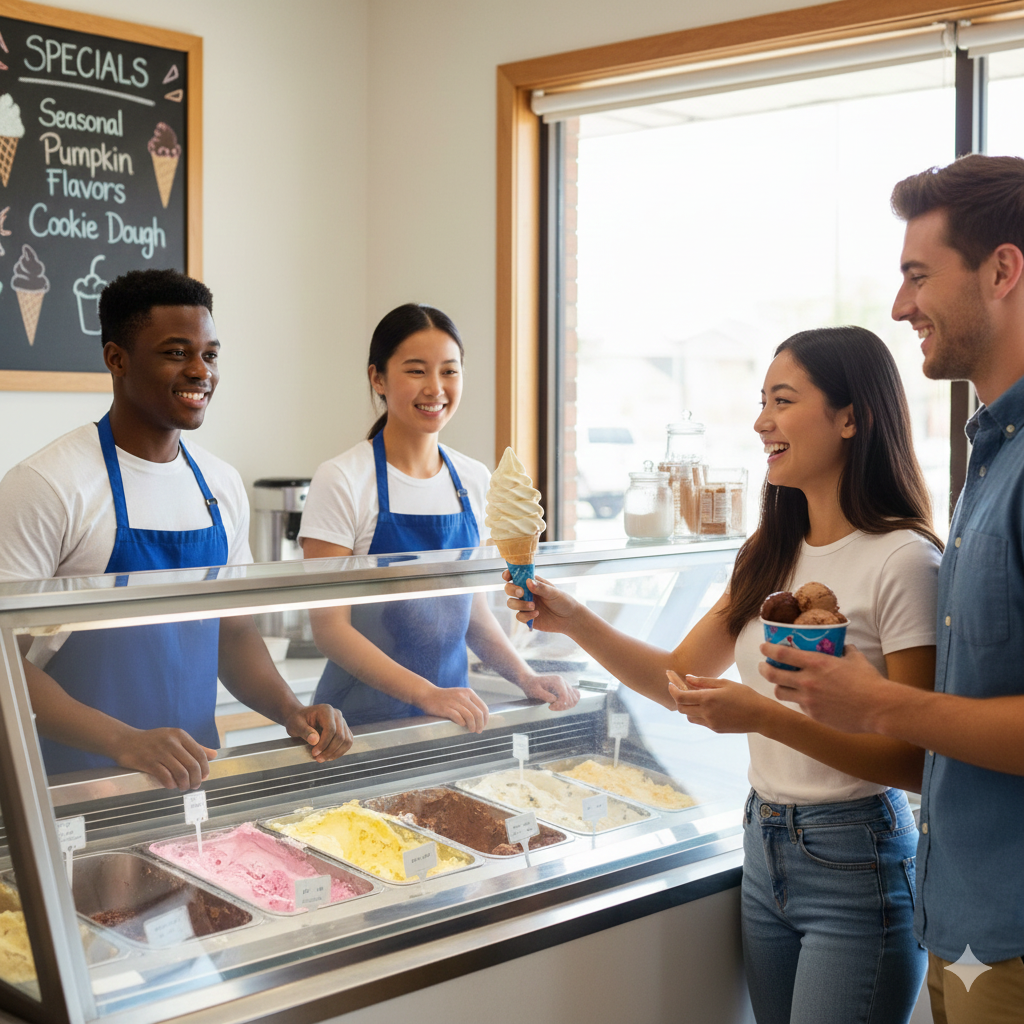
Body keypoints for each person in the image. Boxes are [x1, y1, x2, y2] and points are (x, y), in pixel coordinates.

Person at [506, 326, 941, 1024]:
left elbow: (915, 760)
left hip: (857, 859)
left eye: (782, 399)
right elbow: (678, 677)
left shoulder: (903, 561)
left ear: (851, 417)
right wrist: (576, 620)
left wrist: (765, 715)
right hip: (764, 847)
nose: (761, 420)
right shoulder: (766, 554)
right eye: (762, 400)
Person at [764, 155, 1024, 1024]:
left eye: (918, 275)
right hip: (961, 914)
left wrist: (875, 704)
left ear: (1002, 271)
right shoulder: (991, 454)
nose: (899, 305)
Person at [0, 269, 352, 790]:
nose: (199, 371)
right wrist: (125, 741)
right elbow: (5, 662)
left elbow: (232, 636)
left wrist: (290, 711)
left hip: (193, 781)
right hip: (75, 785)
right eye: (175, 352)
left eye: (210, 355)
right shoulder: (48, 485)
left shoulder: (221, 485)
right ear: (116, 359)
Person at [299, 303, 578, 731]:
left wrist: (524, 676)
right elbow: (330, 629)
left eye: (449, 371)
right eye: (416, 371)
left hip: (448, 721)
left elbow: (473, 612)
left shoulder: (474, 478)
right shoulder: (342, 479)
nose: (435, 388)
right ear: (378, 378)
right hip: (356, 726)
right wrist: (426, 693)